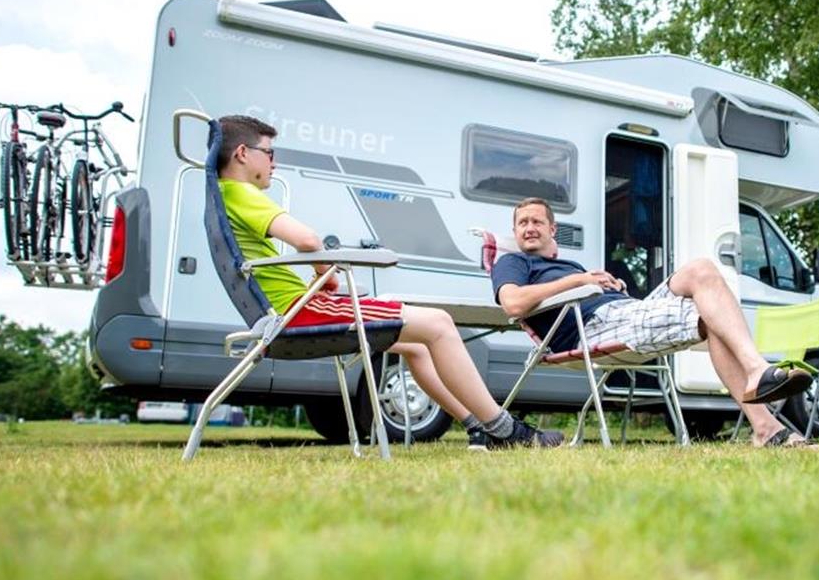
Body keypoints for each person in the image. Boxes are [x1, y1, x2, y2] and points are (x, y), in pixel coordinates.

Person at [215, 115, 562, 450]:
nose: (274, 163)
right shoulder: (239, 192)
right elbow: (306, 239)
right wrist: (325, 272)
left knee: (417, 345)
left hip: (291, 310)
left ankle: (475, 425)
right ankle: (507, 431)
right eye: (269, 153)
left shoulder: (221, 195)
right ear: (243, 154)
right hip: (300, 313)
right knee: (439, 322)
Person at [492, 197, 817, 448]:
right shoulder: (513, 262)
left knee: (701, 269)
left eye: (536, 221)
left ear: (552, 229)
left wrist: (605, 284)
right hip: (591, 328)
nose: (528, 227)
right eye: (522, 223)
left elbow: (586, 286)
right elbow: (513, 302)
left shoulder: (569, 264)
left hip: (624, 311)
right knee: (709, 317)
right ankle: (765, 421)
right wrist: (579, 281)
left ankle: (759, 387)